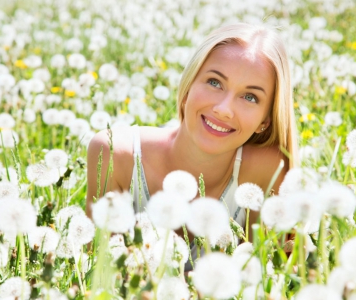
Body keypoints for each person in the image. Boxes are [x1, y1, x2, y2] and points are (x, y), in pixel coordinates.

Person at [86, 23, 299, 266]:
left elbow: (267, 275)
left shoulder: (265, 172)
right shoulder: (116, 154)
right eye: (214, 82)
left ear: (265, 120)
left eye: (250, 97)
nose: (223, 109)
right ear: (188, 86)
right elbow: (95, 269)